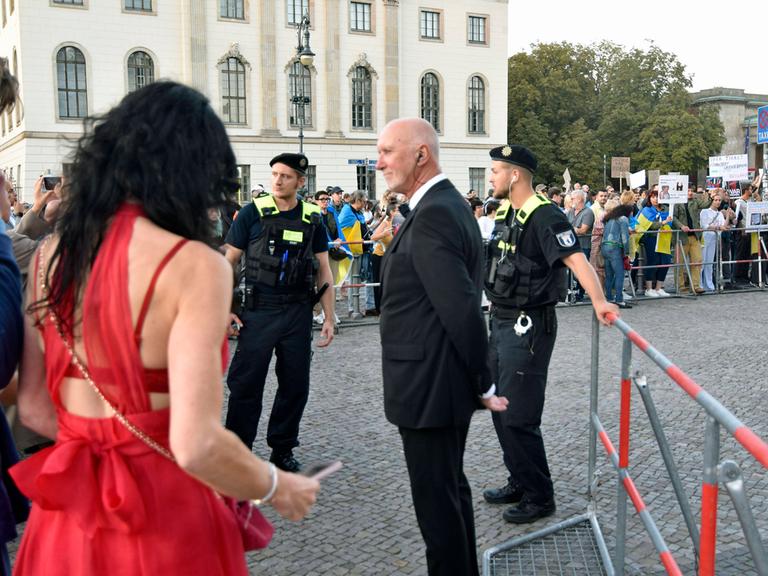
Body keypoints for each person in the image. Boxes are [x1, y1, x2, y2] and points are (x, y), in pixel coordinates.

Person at [10, 82, 320, 576]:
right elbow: (196, 444)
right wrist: (277, 486)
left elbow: (34, 409)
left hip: (70, 518)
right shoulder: (196, 265)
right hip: (162, 512)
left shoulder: (50, 255)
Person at [376, 118, 508, 576]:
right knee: (450, 493)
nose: (379, 162)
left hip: (429, 386)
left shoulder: (434, 212)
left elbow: (461, 310)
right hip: (435, 381)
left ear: (420, 155)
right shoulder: (440, 207)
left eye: (388, 151)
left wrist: (485, 380)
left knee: (437, 507)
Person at [482, 144, 617, 524]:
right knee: (499, 408)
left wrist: (600, 302)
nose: (490, 177)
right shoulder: (507, 212)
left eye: (495, 170)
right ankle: (520, 480)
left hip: (528, 327)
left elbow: (576, 260)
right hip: (501, 321)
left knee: (519, 415)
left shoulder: (545, 216)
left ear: (514, 175)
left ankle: (540, 496)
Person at [224, 152, 335, 473]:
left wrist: (329, 317)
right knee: (246, 385)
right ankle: (238, 452)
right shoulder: (251, 214)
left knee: (295, 385)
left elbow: (324, 270)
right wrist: (225, 309)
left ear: (301, 182)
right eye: (274, 174)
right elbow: (228, 261)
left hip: (297, 313)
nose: (277, 181)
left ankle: (282, 448)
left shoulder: (313, 218)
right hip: (257, 312)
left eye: (286, 176)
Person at [672, 186, 713, 294]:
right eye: (688, 191)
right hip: (681, 237)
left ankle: (695, 285)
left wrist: (710, 196)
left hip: (694, 236)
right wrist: (681, 226)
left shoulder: (695, 201)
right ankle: (680, 286)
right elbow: (673, 217)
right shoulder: (676, 203)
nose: (690, 193)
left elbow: (706, 204)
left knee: (697, 260)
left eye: (691, 191)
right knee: (679, 263)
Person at [636, 189, 673, 297]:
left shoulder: (666, 209)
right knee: (653, 261)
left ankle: (658, 287)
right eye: (653, 197)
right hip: (651, 238)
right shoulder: (646, 210)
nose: (656, 199)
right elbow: (650, 225)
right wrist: (663, 223)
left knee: (665, 261)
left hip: (664, 238)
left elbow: (672, 220)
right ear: (649, 198)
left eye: (657, 197)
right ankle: (648, 288)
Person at [601, 199, 633, 308]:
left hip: (604, 246)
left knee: (609, 275)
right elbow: (625, 238)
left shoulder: (609, 219)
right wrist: (627, 252)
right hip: (615, 247)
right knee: (619, 274)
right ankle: (619, 299)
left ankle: (609, 298)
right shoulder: (623, 219)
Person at [699, 192, 726, 292]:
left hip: (714, 238)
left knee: (709, 263)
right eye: (716, 200)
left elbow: (724, 225)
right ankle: (700, 284)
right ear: (712, 200)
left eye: (719, 200)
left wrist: (727, 215)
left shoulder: (719, 213)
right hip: (705, 237)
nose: (718, 202)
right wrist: (717, 227)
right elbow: (704, 225)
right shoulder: (704, 211)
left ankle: (709, 285)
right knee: (702, 262)